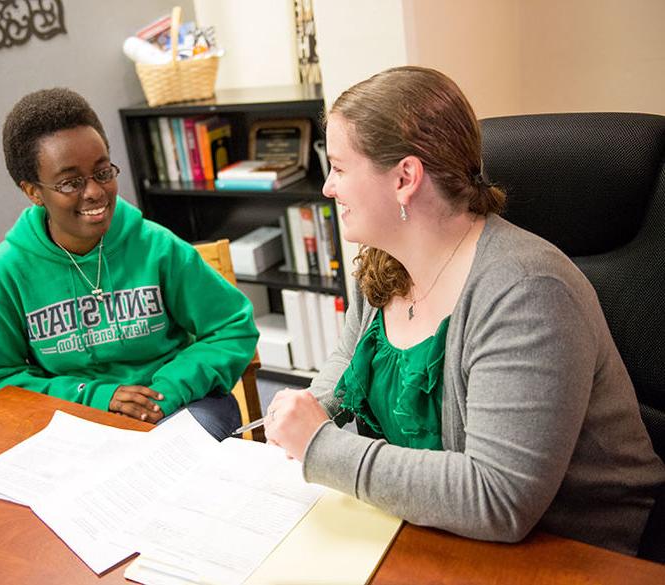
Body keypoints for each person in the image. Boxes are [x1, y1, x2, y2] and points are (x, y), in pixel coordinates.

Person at [263, 66, 665, 555]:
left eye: (341, 168)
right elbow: (343, 371)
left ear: (405, 178)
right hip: (431, 528)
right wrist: (312, 409)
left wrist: (320, 446)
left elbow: (498, 498)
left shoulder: (528, 290)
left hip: (568, 550)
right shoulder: (383, 262)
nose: (328, 187)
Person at [0, 88, 258, 440]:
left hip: (177, 406)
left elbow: (232, 326)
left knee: (170, 467)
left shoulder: (156, 247)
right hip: (72, 421)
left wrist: (167, 390)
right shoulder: (4, 273)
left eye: (102, 172)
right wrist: (95, 398)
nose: (95, 192)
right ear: (33, 191)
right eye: (70, 182)